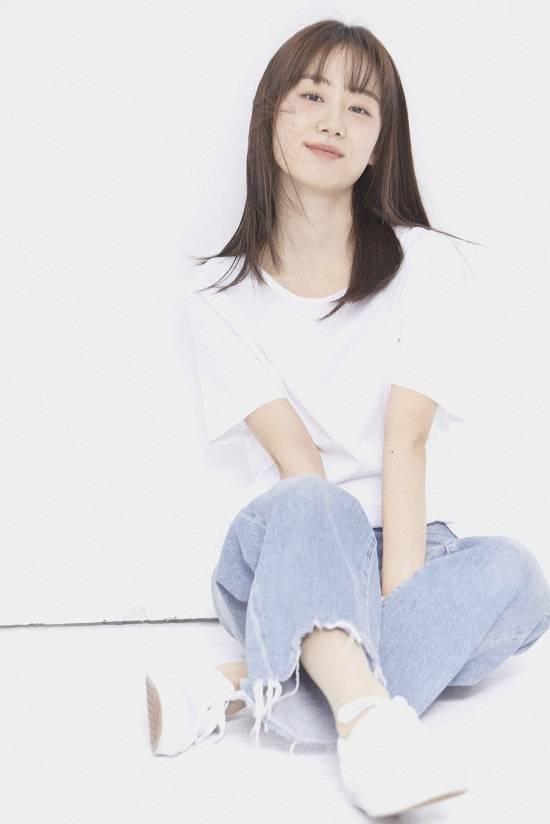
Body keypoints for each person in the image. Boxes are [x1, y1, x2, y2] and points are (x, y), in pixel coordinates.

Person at [145, 18, 550, 818]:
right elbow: (300, 464)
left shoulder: (426, 265)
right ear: (271, 114)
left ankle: (240, 686)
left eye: (359, 108)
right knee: (313, 499)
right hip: (285, 549)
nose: (333, 120)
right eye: (311, 95)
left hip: (407, 546)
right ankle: (368, 724)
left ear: (379, 145)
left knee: (518, 578)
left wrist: (392, 602)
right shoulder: (218, 294)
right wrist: (384, 616)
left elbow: (406, 442)